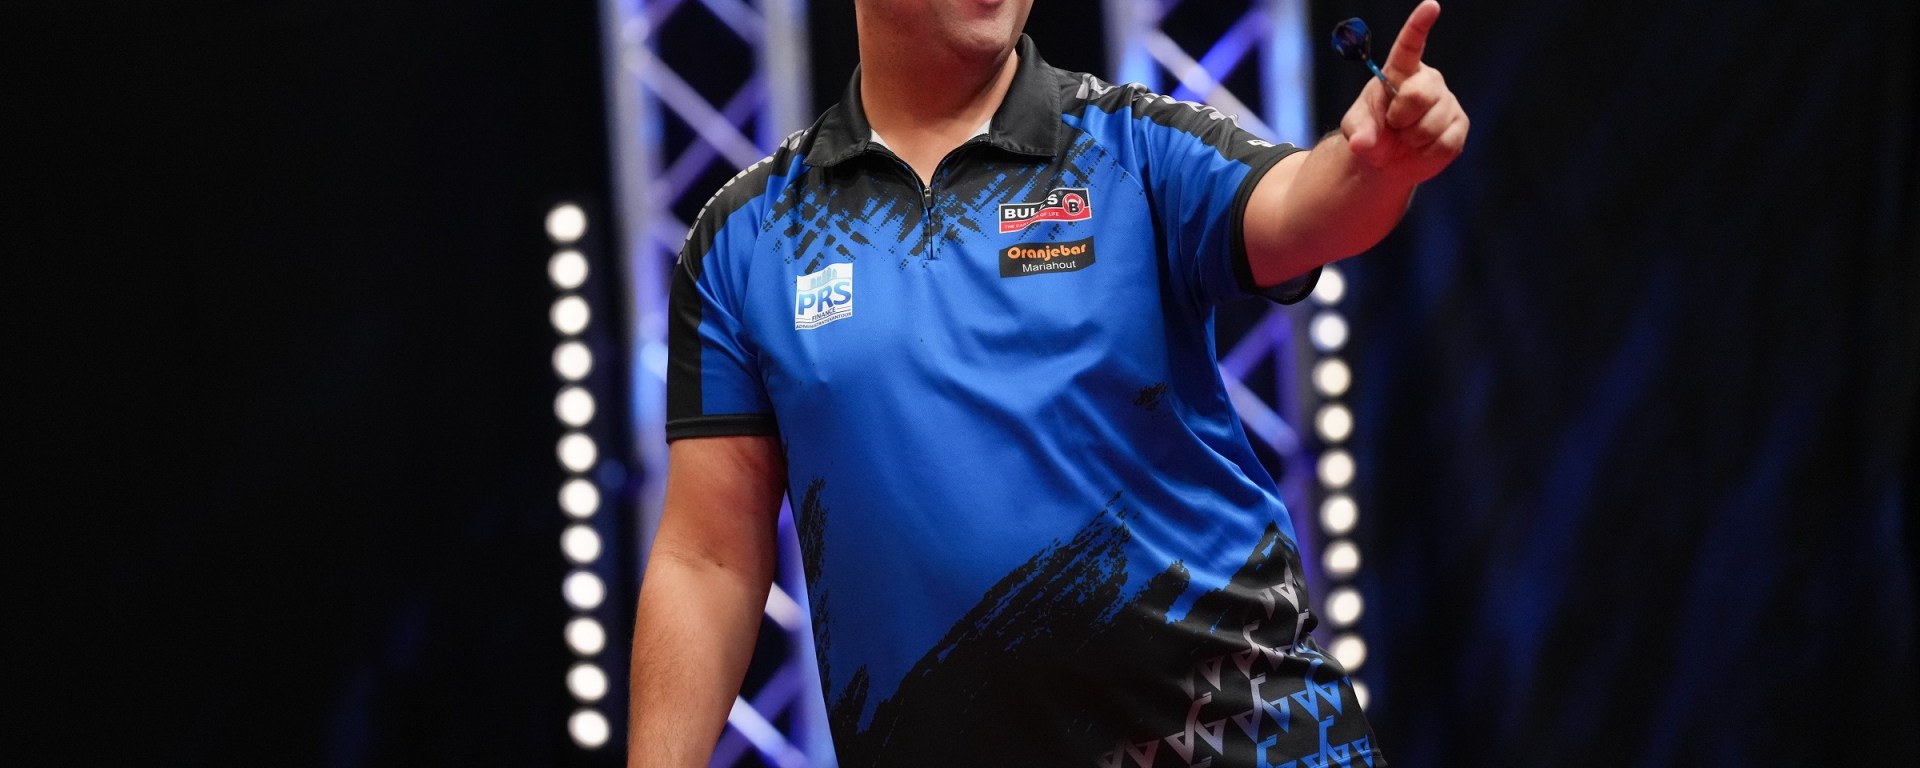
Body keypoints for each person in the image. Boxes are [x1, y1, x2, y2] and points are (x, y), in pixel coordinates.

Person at [629, 0, 1466, 764]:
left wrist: (1379, 166)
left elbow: (1302, 208)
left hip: (1240, 741)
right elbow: (707, 559)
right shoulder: (747, 237)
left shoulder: (1132, 145)